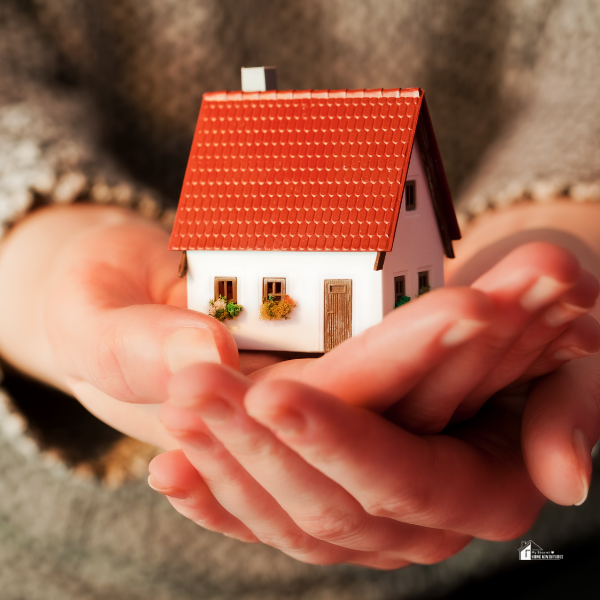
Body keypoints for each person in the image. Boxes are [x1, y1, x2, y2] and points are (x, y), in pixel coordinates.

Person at [2, 0, 600, 597]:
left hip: (539, 562)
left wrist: (577, 218)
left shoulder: (379, 178)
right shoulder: (260, 174)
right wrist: (42, 257)